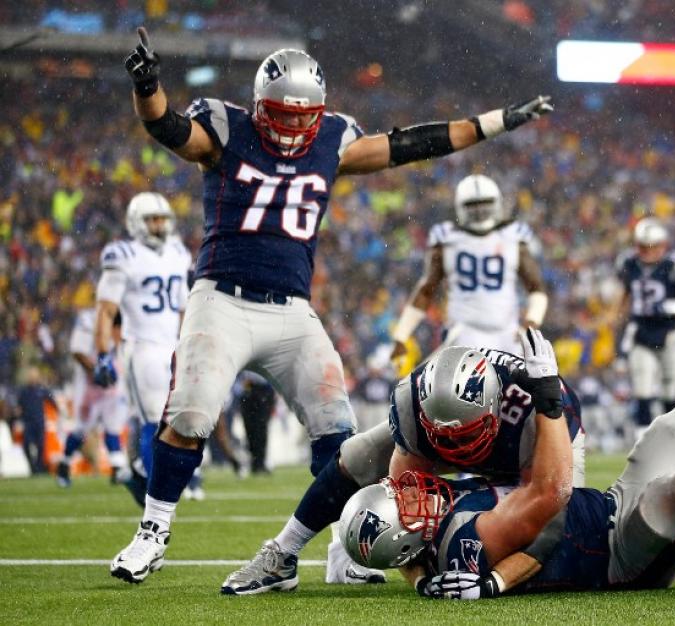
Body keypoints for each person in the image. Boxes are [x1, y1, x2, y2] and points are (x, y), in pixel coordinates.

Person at [112, 26, 553, 585]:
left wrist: (497, 122)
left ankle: (339, 554)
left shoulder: (333, 140)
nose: (296, 126)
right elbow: (168, 127)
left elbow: (414, 143)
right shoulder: (228, 129)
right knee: (191, 414)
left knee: (337, 431)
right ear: (259, 106)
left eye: (305, 115)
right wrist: (148, 84)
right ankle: (153, 530)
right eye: (284, 113)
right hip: (221, 296)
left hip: (292, 309)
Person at [339, 381, 675, 598]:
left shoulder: (432, 544)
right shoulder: (462, 539)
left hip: (611, 502)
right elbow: (548, 522)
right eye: (406, 509)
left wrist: (415, 579)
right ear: (412, 542)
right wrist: (492, 585)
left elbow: (412, 553)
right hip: (622, 554)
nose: (415, 495)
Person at [221, 329, 583, 595]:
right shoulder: (411, 401)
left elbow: (552, 498)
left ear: (495, 410)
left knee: (560, 521)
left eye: (463, 435)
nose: (452, 447)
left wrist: (493, 579)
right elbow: (404, 509)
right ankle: (283, 552)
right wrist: (420, 577)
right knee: (360, 455)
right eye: (441, 434)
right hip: (470, 430)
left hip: (528, 452)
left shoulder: (540, 407)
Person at [93, 191, 191, 509]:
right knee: (153, 420)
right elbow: (106, 310)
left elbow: (183, 307)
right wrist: (103, 353)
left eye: (162, 219)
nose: (159, 226)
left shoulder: (178, 252)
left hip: (172, 345)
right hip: (142, 346)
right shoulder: (123, 255)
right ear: (137, 223)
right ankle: (154, 494)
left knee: (174, 420)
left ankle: (139, 473)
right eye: (152, 220)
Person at [390, 174, 547, 359]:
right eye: (473, 206)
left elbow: (536, 287)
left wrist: (530, 323)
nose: (480, 212)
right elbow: (426, 291)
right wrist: (401, 335)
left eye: (484, 204)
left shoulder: (511, 236)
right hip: (465, 331)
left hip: (505, 335)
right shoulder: (448, 239)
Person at [613, 217, 675, 432]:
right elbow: (626, 294)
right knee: (642, 388)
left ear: (663, 245)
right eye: (642, 247)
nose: (645, 252)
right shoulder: (628, 263)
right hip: (641, 332)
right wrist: (618, 319)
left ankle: (670, 439)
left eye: (651, 247)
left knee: (670, 392)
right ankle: (642, 442)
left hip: (669, 333)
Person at [56, 308, 129, 487]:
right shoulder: (89, 319)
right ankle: (64, 464)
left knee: (113, 427)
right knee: (82, 429)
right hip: (88, 385)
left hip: (111, 385)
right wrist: (95, 369)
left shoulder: (125, 314)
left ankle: (117, 468)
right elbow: (77, 351)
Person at [14, 367, 54, 475]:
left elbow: (52, 400)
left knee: (41, 445)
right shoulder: (23, 391)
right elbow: (18, 407)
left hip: (39, 422)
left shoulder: (41, 389)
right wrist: (18, 415)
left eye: (34, 375)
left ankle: (39, 467)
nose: (32, 377)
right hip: (28, 422)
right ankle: (32, 466)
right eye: (30, 375)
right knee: (26, 445)